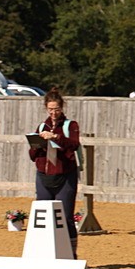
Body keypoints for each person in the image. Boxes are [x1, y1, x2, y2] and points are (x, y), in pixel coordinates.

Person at [29, 89, 81, 258]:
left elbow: (73, 145)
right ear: (46, 108)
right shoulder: (41, 127)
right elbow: (32, 156)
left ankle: (71, 254)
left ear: (62, 107)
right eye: (50, 109)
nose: (53, 112)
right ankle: (43, 254)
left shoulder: (70, 125)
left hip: (65, 175)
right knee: (43, 215)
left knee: (66, 217)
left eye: (56, 109)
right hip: (43, 176)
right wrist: (37, 145)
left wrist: (55, 137)